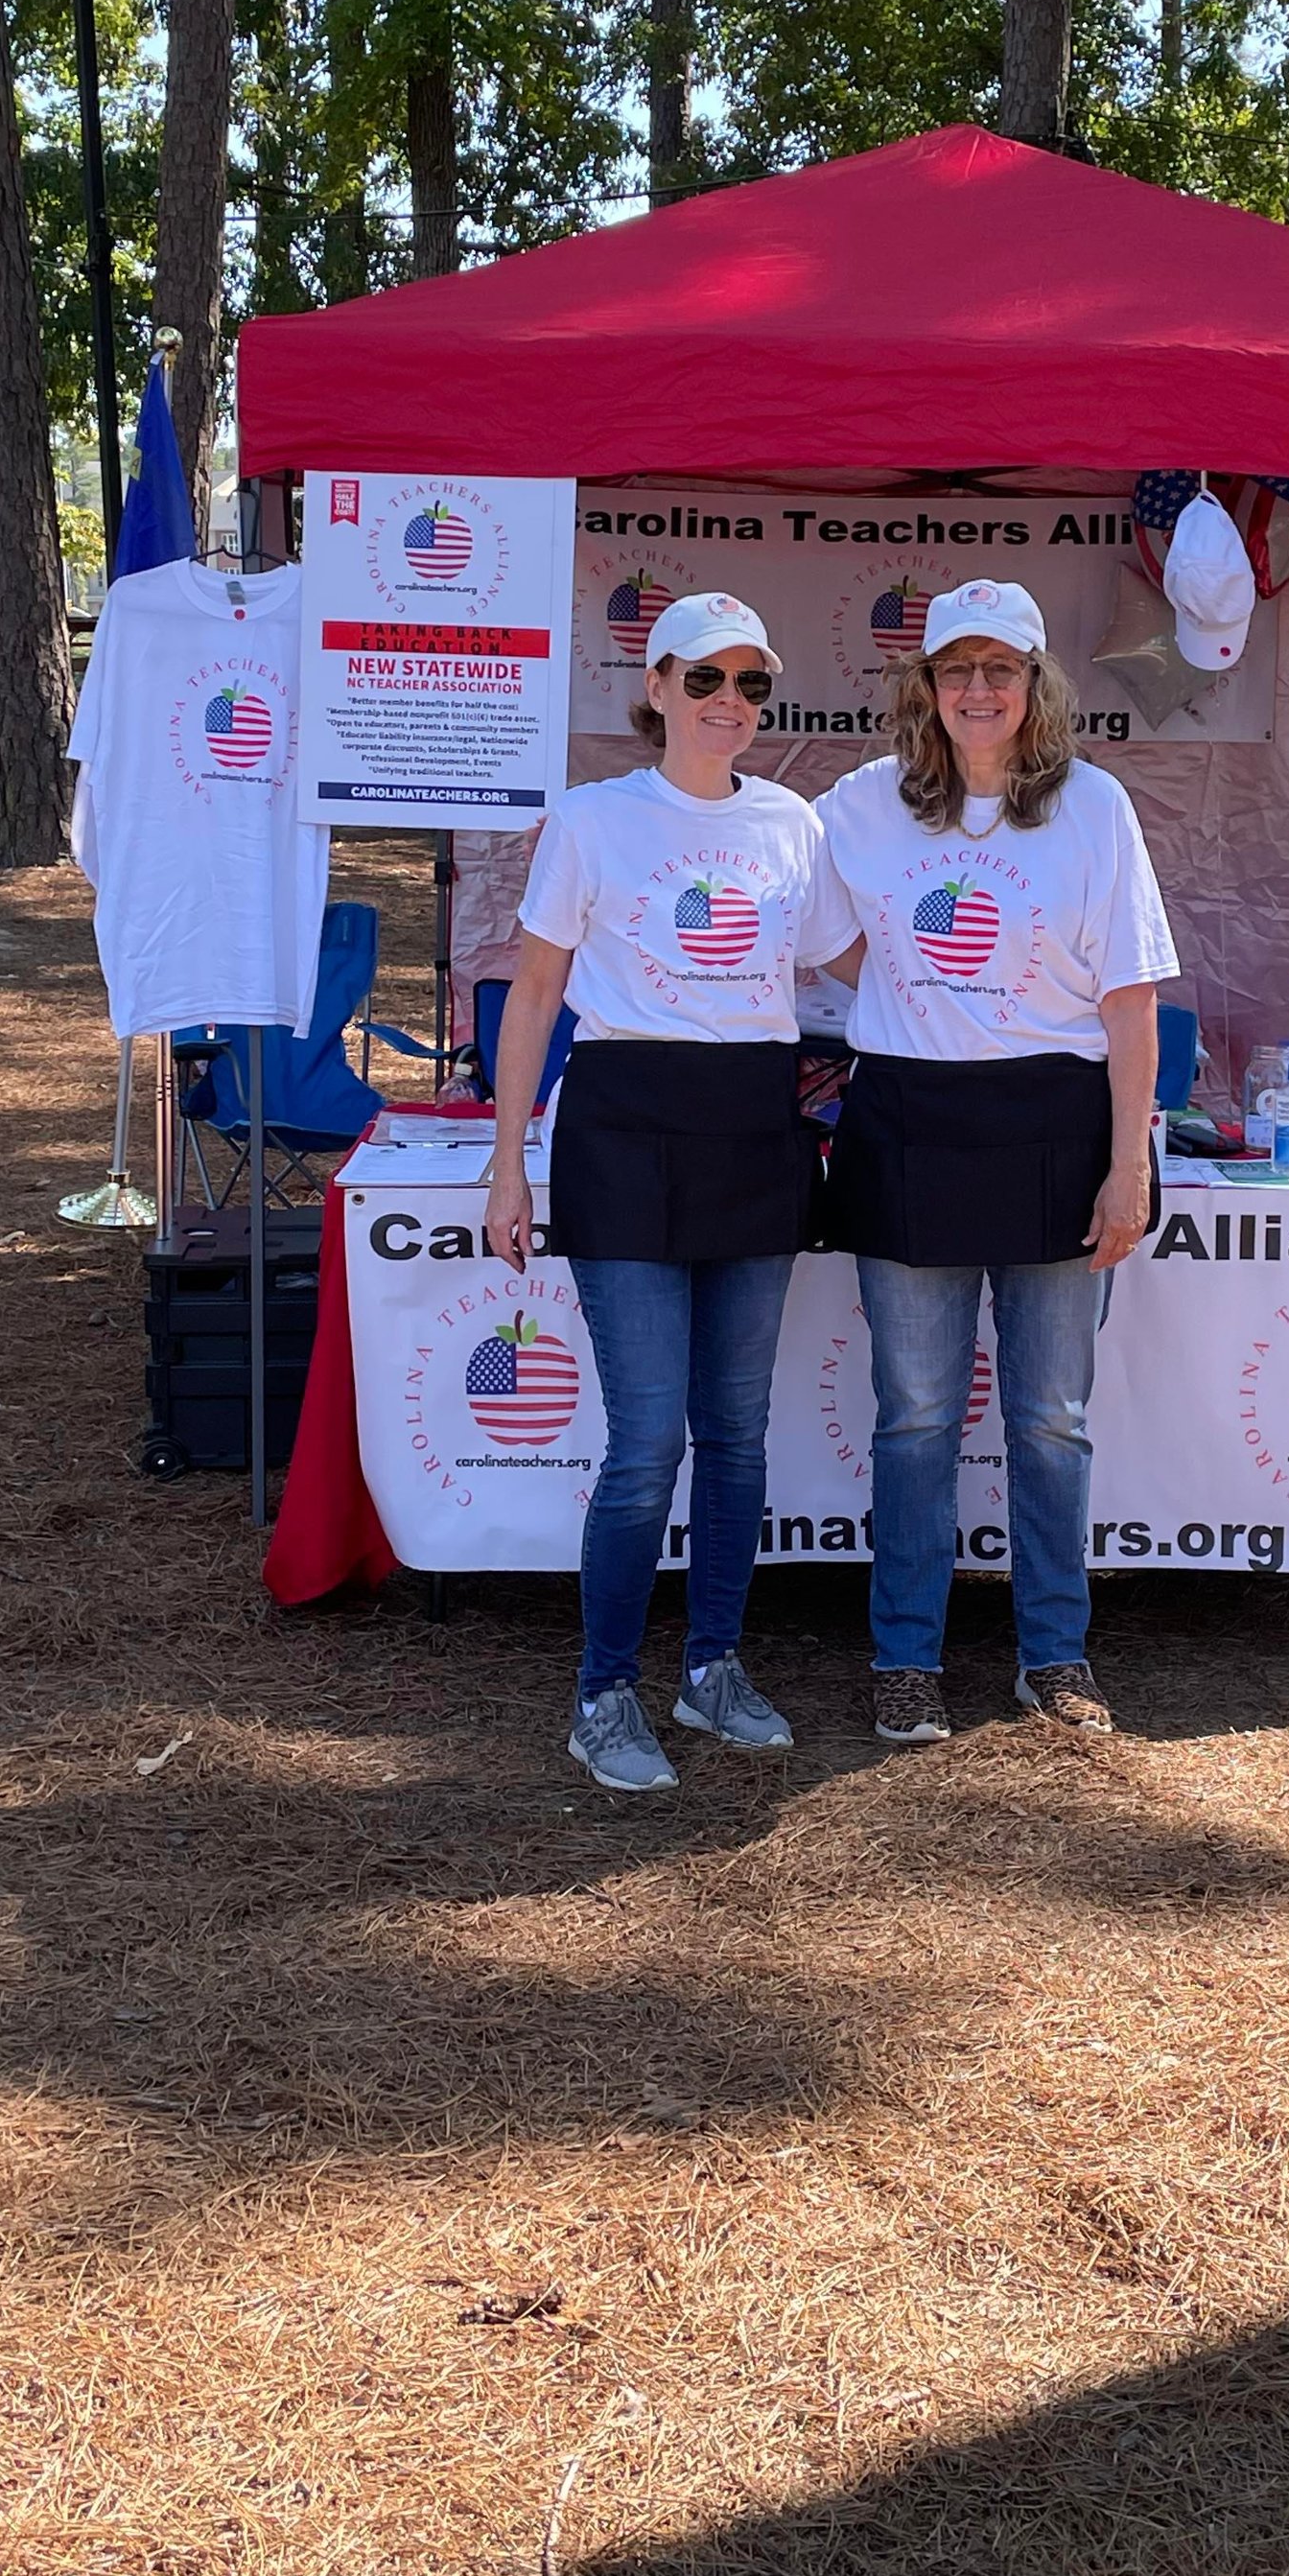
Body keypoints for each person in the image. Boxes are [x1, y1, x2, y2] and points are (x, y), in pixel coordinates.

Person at [485, 595, 850, 1793]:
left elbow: (861, 960)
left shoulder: (793, 823)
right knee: (647, 1439)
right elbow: (534, 997)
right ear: (656, 688)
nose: (731, 706)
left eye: (753, 686)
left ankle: (712, 1670)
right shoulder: (592, 821)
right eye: (707, 682)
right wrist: (507, 1164)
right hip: (623, 1132)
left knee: (735, 1437)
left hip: (753, 1132)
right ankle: (602, 1693)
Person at [808, 579, 1179, 1745]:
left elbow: (1131, 1004)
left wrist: (1130, 1166)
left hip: (1055, 1130)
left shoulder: (1093, 806)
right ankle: (905, 1657)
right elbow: (819, 938)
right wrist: (916, 1001)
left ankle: (1053, 1657)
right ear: (924, 686)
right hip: (909, 1122)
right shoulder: (858, 805)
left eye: (1001, 669)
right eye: (956, 669)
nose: (978, 689)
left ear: (1035, 685)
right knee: (914, 1415)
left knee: (1051, 1418)